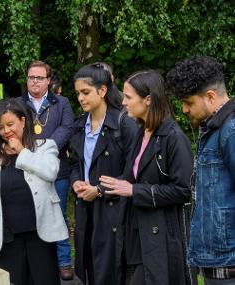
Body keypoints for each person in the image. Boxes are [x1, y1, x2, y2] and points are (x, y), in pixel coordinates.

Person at [99, 69, 194, 285]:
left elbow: (183, 190)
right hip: (136, 233)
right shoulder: (142, 133)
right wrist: (100, 188)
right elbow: (131, 178)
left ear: (148, 100)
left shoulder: (174, 138)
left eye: (129, 97)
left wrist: (134, 191)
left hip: (161, 239)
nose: (123, 102)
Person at [0, 98, 68, 285]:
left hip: (40, 234)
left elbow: (51, 172)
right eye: (1, 127)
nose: (6, 131)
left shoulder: (44, 146)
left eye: (10, 124)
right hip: (6, 237)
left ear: (23, 121)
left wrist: (21, 151)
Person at [167, 55, 235, 285]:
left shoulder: (231, 130)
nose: (184, 109)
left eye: (188, 102)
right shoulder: (214, 129)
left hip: (229, 266)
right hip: (215, 261)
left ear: (210, 96)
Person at [70, 63, 138, 285]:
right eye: (78, 93)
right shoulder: (79, 126)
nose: (80, 98)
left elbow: (133, 171)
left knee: (109, 271)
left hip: (114, 211)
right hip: (85, 210)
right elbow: (74, 164)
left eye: (86, 92)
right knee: (88, 266)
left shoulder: (123, 124)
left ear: (102, 91)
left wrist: (99, 191)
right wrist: (76, 183)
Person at [20, 60, 75, 280]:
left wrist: (45, 149)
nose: (35, 81)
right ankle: (38, 260)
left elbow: (67, 128)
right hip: (27, 169)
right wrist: (32, 154)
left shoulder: (62, 103)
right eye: (31, 77)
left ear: (48, 81)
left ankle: (63, 261)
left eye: (40, 78)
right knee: (31, 215)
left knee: (58, 215)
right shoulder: (17, 103)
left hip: (57, 169)